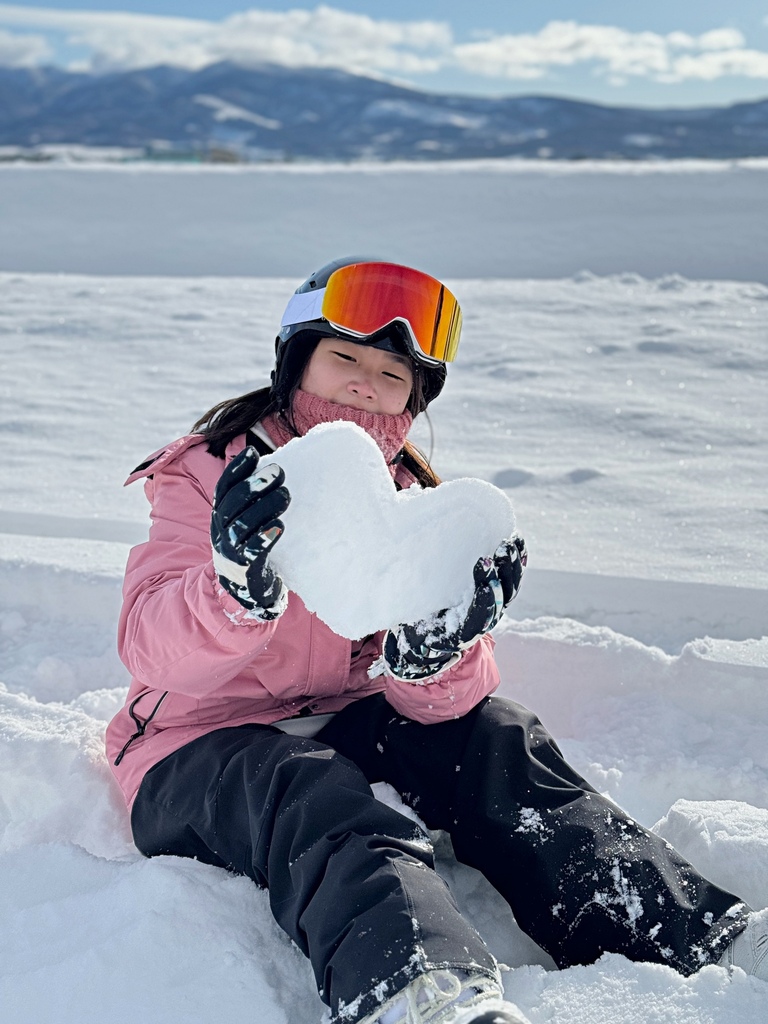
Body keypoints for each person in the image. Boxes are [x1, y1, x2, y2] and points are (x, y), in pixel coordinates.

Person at [107, 258, 768, 1024]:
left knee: (497, 740)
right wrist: (233, 591)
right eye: (344, 357)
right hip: (199, 747)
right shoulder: (213, 475)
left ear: (417, 399)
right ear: (294, 363)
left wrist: (435, 655)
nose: (365, 383)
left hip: (350, 721)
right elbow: (151, 647)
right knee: (315, 793)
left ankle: (698, 933)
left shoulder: (412, 500)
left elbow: (444, 702)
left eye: (393, 374)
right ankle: (420, 991)